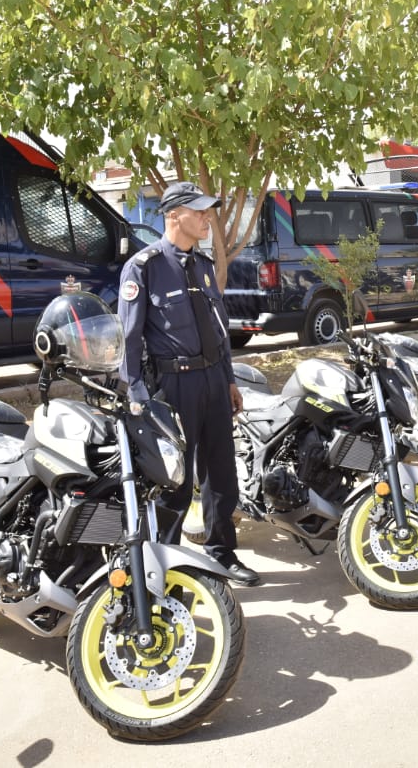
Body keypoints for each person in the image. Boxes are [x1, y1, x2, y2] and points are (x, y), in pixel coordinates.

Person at [118, 181, 259, 587]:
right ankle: (165, 567)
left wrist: (229, 380)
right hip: (174, 385)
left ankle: (222, 554)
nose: (206, 218)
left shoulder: (202, 266)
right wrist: (137, 395)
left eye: (207, 210)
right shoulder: (144, 267)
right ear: (173, 215)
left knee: (221, 475)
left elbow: (219, 330)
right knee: (175, 481)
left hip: (214, 380)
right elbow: (129, 338)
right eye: (198, 211)